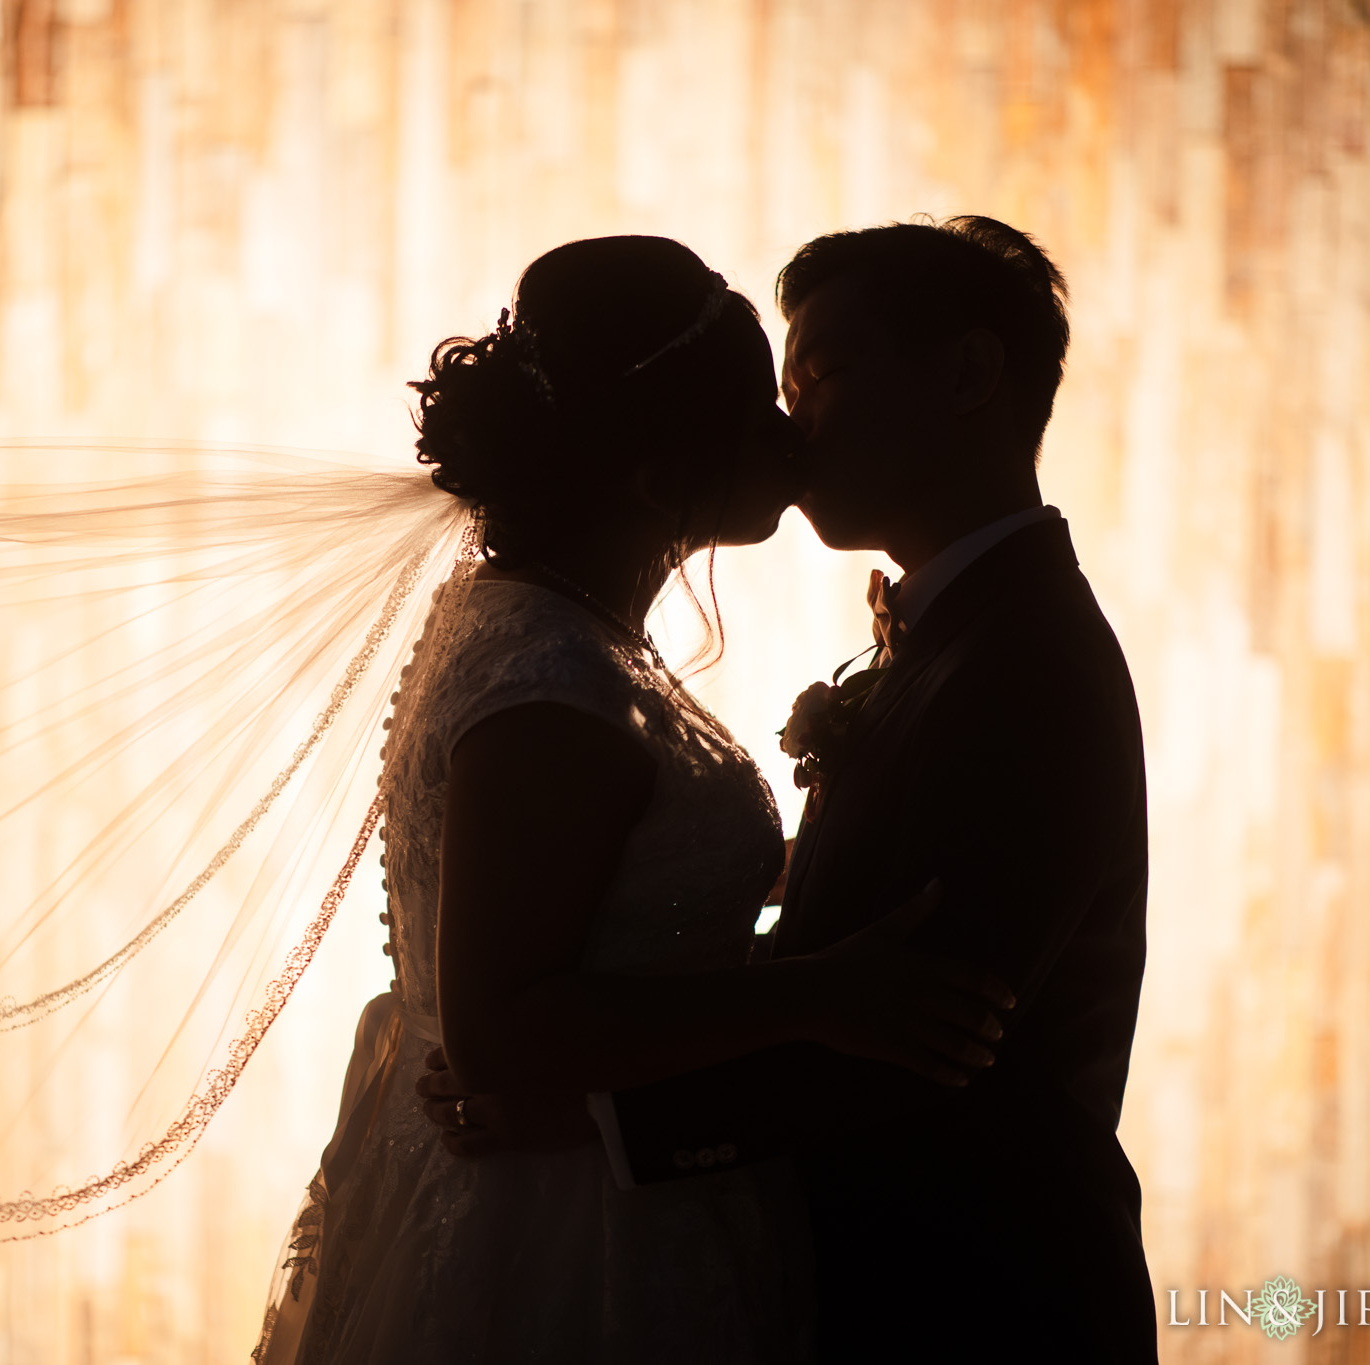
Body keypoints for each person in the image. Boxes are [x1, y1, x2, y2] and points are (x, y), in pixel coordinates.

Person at [252, 234, 1015, 1365]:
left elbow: (612, 899)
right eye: (760, 409)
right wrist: (811, 996)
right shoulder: (553, 692)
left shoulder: (547, 632)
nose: (789, 435)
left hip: (590, 1193)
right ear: (657, 472)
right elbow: (501, 1035)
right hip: (569, 1246)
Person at [420, 217, 1156, 1362]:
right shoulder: (943, 637)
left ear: (966, 374)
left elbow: (924, 1040)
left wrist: (589, 1118)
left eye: (817, 375)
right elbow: (846, 967)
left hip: (974, 1306)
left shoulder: (1027, 664)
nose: (790, 421)